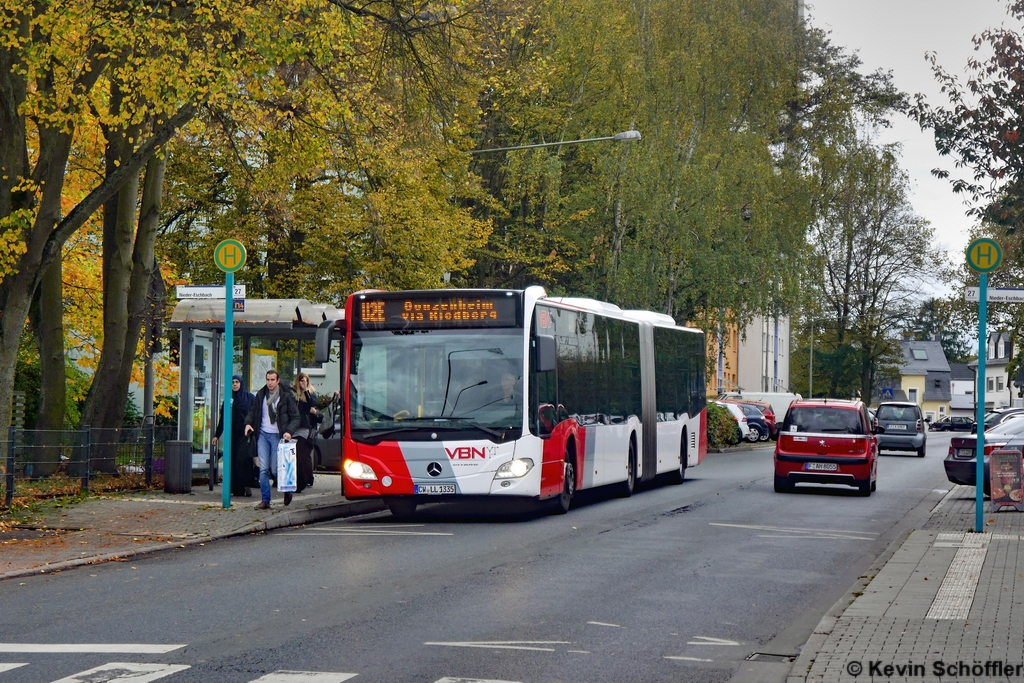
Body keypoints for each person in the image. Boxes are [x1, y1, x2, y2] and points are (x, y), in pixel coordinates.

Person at [244, 370, 300, 509]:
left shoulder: (286, 396)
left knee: (275, 470)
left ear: (278, 380)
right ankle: (265, 500)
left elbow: (296, 417)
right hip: (263, 434)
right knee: (263, 468)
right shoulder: (261, 394)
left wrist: (288, 431)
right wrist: (248, 423)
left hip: (277, 436)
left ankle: (287, 491)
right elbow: (253, 411)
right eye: (268, 379)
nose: (270, 383)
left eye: (272, 380)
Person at [212, 375, 255, 497]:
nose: (235, 384)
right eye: (232, 382)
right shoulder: (228, 399)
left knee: (242, 460)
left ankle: (245, 485)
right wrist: (217, 435)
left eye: (237, 382)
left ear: (241, 383)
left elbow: (255, 414)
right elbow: (223, 419)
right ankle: (237, 488)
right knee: (233, 461)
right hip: (232, 435)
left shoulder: (249, 398)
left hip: (245, 434)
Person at [292, 372, 320, 491]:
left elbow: (312, 404)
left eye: (306, 381)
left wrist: (305, 391)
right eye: (301, 381)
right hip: (293, 427)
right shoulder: (293, 393)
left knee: (303, 453)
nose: (304, 383)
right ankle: (303, 478)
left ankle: (307, 478)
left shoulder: (311, 393)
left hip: (305, 428)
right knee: (301, 455)